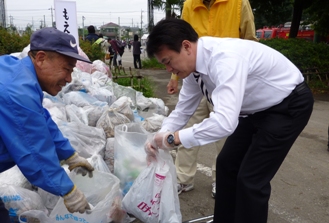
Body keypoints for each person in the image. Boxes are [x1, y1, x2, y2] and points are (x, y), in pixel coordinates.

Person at [144, 19, 313, 223]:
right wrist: (159, 136)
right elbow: (182, 110)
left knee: (251, 179)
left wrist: (174, 139)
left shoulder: (225, 58)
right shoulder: (192, 69)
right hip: (253, 111)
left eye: (168, 61)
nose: (168, 69)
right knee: (226, 164)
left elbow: (224, 123)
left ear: (186, 46)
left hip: (287, 105)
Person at [0, 27, 95, 221]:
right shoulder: (16, 92)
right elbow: (34, 153)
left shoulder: (18, 74)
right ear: (41, 58)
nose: (69, 79)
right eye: (67, 69)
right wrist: (69, 191)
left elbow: (41, 119)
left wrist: (70, 155)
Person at [171, 0, 258, 197]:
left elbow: (249, 40)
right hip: (196, 75)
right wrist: (175, 76)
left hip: (227, 78)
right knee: (186, 126)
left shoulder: (238, 3)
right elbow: (178, 43)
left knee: (225, 133)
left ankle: (221, 180)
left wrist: (243, 79)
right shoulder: (189, 5)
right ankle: (183, 178)